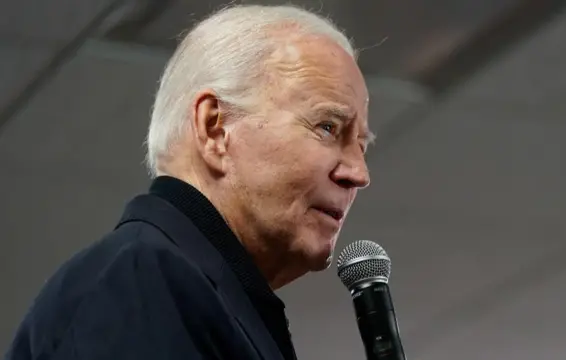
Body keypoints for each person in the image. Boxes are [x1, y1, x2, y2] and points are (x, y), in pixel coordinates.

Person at [4, 4, 373, 360]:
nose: (359, 173)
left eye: (361, 145)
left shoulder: (192, 292)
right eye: (327, 128)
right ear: (215, 128)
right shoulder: (143, 280)